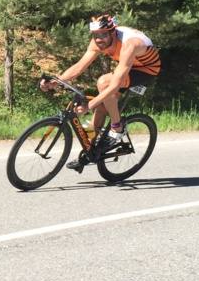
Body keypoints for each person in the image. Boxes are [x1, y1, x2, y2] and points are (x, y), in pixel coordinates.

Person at [40, 13, 161, 172]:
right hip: (126, 66)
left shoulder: (130, 44)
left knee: (104, 83)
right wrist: (57, 80)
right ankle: (91, 150)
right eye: (95, 35)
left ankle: (117, 127)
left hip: (146, 70)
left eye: (103, 35)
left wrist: (89, 105)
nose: (99, 39)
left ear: (113, 32)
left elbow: (114, 84)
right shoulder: (97, 41)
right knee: (103, 105)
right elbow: (79, 67)